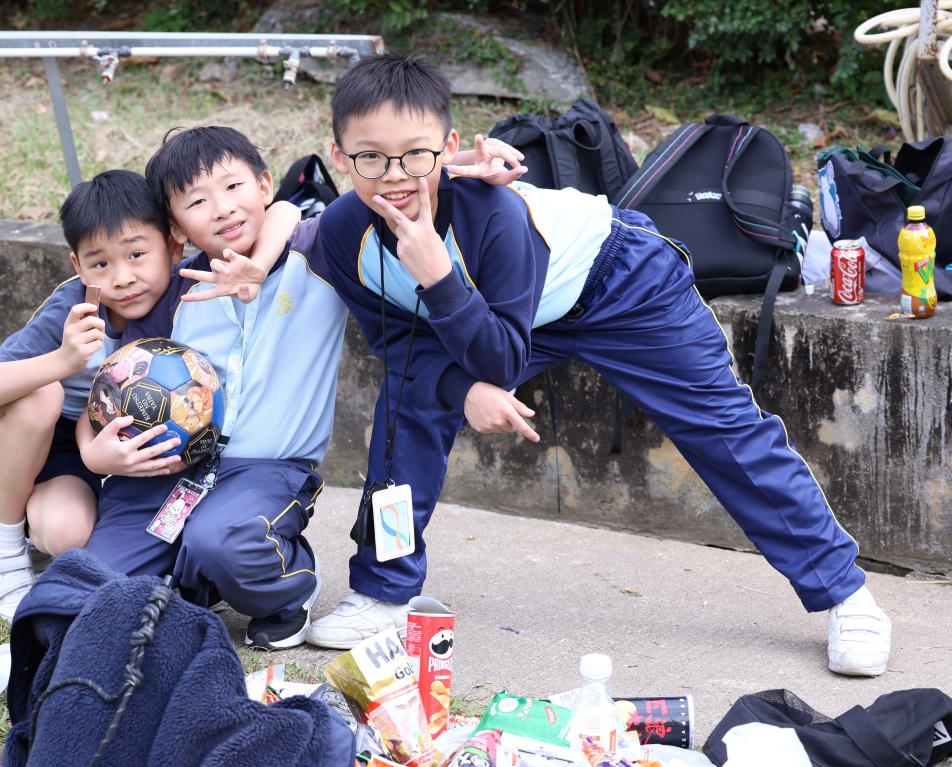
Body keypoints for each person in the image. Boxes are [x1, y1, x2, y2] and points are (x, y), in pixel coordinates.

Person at [303, 53, 892, 678]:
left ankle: (844, 593)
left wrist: (440, 278)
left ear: (448, 149)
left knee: (723, 429)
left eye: (415, 155)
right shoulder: (343, 235)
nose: (395, 175)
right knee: (407, 409)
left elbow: (502, 358)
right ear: (339, 156)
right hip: (505, 320)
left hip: (621, 282)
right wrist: (460, 387)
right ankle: (384, 591)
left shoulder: (494, 215)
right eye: (371, 157)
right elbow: (395, 343)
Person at [79, 126, 348, 650]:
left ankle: (288, 587)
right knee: (96, 588)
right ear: (175, 228)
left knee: (222, 540)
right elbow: (110, 391)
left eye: (233, 187)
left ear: (264, 185)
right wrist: (96, 452)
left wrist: (261, 263)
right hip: (170, 467)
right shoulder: (173, 293)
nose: (222, 209)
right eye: (197, 201)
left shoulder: (316, 256)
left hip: (266, 470)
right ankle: (192, 580)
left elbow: (303, 210)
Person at [0, 170, 184, 621]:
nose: (123, 278)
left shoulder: (188, 289)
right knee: (42, 394)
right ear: (78, 266)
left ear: (173, 245)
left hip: (75, 443)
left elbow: (284, 218)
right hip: (1, 424)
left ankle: (33, 529)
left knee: (69, 534)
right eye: (100, 264)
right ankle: (2, 552)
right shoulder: (74, 307)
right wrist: (65, 359)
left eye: (136, 254)